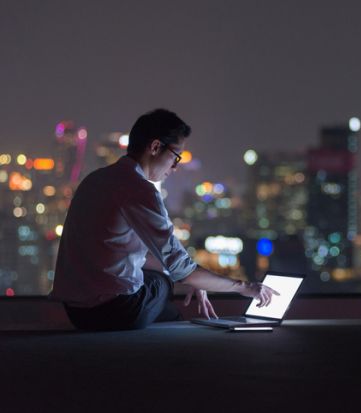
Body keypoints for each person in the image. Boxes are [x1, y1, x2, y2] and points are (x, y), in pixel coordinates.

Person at [49, 108, 278, 330]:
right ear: (156, 147)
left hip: (77, 313)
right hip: (116, 310)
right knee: (163, 283)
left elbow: (118, 254)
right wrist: (244, 287)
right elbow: (179, 268)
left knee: (162, 283)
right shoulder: (140, 190)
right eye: (176, 157)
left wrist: (193, 278)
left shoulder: (95, 180)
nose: (175, 167)